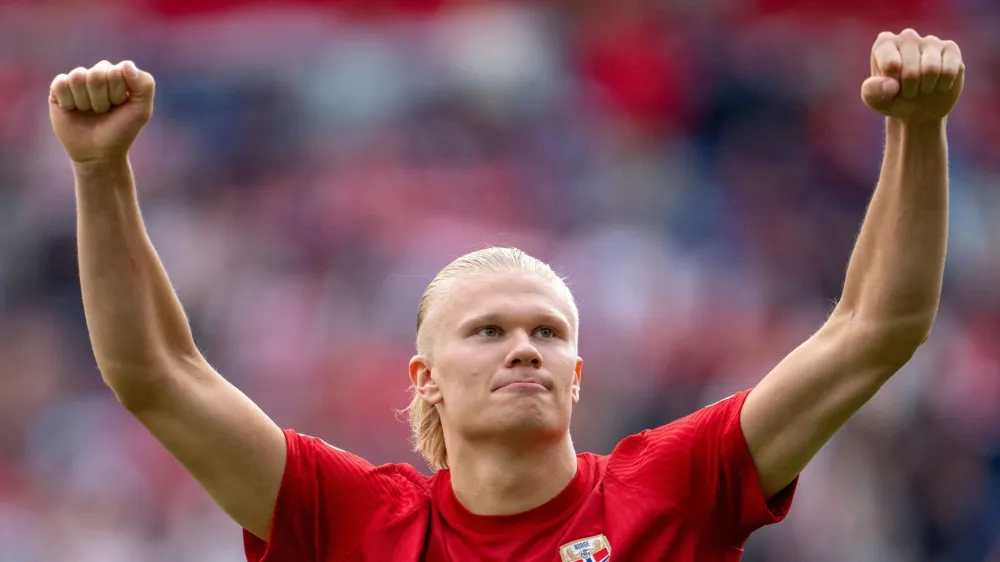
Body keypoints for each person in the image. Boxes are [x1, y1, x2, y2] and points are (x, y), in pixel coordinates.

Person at [48, 28, 963, 561]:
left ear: (577, 376)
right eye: (487, 331)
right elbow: (157, 374)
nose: (526, 347)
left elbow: (874, 328)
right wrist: (100, 172)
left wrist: (917, 132)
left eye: (548, 333)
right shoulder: (349, 518)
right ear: (425, 379)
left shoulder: (674, 487)